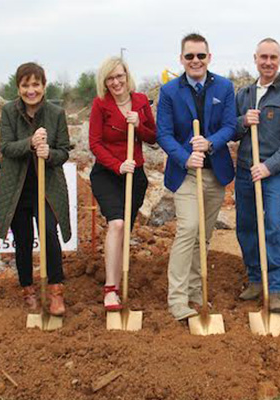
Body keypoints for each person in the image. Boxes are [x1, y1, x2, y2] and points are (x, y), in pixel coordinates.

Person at [157, 33, 237, 321]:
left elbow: (230, 125)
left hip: (215, 172)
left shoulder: (225, 87)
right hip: (186, 172)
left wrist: (210, 143)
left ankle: (195, 291)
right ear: (181, 59)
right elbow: (163, 133)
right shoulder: (169, 91)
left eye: (200, 56)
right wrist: (185, 156)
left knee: (203, 237)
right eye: (189, 56)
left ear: (209, 58)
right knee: (188, 229)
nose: (195, 61)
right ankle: (177, 300)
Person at [0, 62, 71, 316]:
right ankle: (28, 290)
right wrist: (31, 143)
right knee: (23, 239)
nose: (31, 90)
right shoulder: (9, 112)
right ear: (18, 87)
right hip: (17, 187)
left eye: (36, 84)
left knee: (48, 232)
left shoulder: (56, 114)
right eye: (25, 85)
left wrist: (50, 153)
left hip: (47, 187)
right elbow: (6, 147)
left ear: (44, 86)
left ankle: (56, 291)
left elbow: (64, 150)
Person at [234, 38, 280, 312]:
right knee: (246, 226)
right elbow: (230, 130)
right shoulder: (243, 95)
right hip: (244, 170)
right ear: (255, 58)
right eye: (263, 57)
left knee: (274, 226)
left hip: (273, 171)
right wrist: (243, 121)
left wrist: (269, 166)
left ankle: (276, 287)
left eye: (273, 58)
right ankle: (256, 278)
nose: (267, 62)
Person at [88, 57, 156, 311]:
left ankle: (118, 280)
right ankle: (110, 289)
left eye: (119, 76)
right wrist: (117, 165)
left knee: (124, 230)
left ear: (127, 76)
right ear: (104, 82)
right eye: (110, 78)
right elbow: (94, 143)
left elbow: (153, 137)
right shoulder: (100, 104)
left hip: (135, 176)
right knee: (115, 224)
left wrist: (139, 125)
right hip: (107, 173)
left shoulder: (140, 102)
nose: (115, 82)